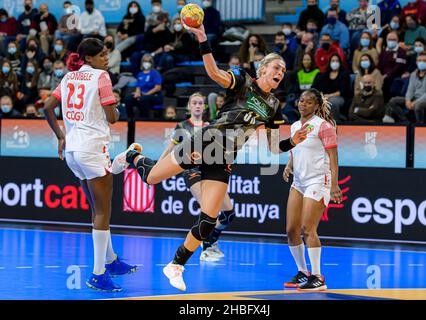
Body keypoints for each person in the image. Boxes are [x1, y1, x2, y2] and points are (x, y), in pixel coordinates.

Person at [111, 24, 308, 291]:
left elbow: (273, 147)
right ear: (263, 69)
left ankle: (176, 265)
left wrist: (292, 142)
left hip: (225, 156)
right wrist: (203, 37)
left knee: (209, 219)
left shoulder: (274, 106)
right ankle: (133, 156)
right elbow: (214, 72)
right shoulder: (243, 81)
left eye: (283, 71)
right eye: (277, 68)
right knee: (153, 177)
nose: (280, 73)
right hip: (207, 141)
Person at [43, 38, 137, 292]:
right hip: (92, 147)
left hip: (73, 149)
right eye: (103, 55)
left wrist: (61, 136)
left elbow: (47, 107)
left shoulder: (68, 77)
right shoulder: (101, 77)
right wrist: (118, 109)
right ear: (91, 58)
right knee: (103, 211)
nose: (106, 59)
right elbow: (112, 118)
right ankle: (98, 274)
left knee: (96, 209)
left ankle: (111, 260)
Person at [159, 93, 236, 261]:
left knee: (229, 213)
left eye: (200, 103)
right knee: (210, 211)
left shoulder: (210, 126)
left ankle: (211, 240)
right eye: (194, 103)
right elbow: (170, 149)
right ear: (189, 106)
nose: (198, 106)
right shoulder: (182, 126)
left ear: (205, 106)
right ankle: (207, 248)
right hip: (192, 172)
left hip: (211, 171)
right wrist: (158, 167)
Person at [283, 88, 342, 290]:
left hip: (318, 180)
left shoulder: (323, 126)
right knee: (291, 230)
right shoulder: (294, 126)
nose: (303, 104)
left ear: (316, 106)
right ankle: (302, 272)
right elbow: (295, 149)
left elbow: (334, 157)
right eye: (301, 101)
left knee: (308, 229)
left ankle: (318, 277)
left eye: (308, 102)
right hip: (299, 181)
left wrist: (334, 185)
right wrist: (289, 165)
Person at [384, 53, 426, 123]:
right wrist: (408, 100)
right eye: (419, 60)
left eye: (424, 61)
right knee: (393, 101)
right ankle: (406, 122)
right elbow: (410, 90)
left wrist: (415, 102)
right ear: (416, 62)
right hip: (415, 98)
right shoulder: (413, 74)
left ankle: (419, 125)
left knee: (418, 105)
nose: (421, 62)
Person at [312, 54, 352, 121]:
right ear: (329, 63)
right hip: (325, 96)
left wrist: (329, 95)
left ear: (340, 63)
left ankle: (334, 122)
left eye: (337, 61)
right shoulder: (325, 74)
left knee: (331, 102)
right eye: (333, 61)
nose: (335, 63)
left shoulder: (344, 74)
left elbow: (344, 90)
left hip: (340, 97)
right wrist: (322, 96)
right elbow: (319, 88)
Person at [124, 54, 163, 119]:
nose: (146, 63)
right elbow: (138, 87)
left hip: (154, 95)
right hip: (142, 95)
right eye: (145, 61)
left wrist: (146, 94)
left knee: (143, 99)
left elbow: (158, 87)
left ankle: (144, 119)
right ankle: (130, 119)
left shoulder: (155, 73)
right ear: (142, 62)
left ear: (151, 63)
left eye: (148, 61)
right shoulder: (140, 74)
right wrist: (137, 93)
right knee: (128, 99)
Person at [378, 31, 407, 101]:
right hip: (382, 75)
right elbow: (379, 65)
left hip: (395, 75)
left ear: (397, 40)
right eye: (389, 39)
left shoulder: (401, 52)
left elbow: (398, 67)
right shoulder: (384, 51)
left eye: (393, 40)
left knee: (389, 80)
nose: (391, 41)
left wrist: (386, 75)